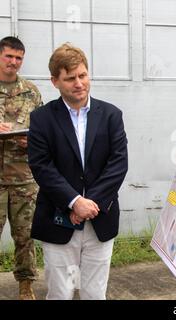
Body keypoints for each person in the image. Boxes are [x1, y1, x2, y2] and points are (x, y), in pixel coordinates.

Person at [27, 43, 128, 300]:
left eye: (82, 75)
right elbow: (41, 166)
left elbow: (118, 164)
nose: (79, 83)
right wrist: (73, 202)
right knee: (60, 292)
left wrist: (88, 204)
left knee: (95, 293)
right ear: (55, 81)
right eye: (70, 78)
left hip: (100, 218)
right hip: (59, 221)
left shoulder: (111, 115)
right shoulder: (41, 118)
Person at [0, 36, 43, 300]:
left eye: (18, 58)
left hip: (23, 177)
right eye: (8, 56)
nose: (13, 62)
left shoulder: (31, 91)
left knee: (25, 236)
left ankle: (26, 286)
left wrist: (32, 140)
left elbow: (43, 131)